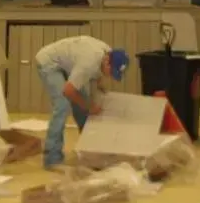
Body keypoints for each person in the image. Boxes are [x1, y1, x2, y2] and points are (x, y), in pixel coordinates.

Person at [34, 35, 130, 170]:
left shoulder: (107, 53)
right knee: (62, 105)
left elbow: (96, 76)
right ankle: (52, 158)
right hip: (50, 62)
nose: (110, 75)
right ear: (107, 61)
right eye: (111, 72)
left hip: (69, 64)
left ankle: (90, 151)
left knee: (81, 104)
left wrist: (99, 86)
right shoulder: (89, 63)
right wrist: (89, 107)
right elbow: (68, 91)